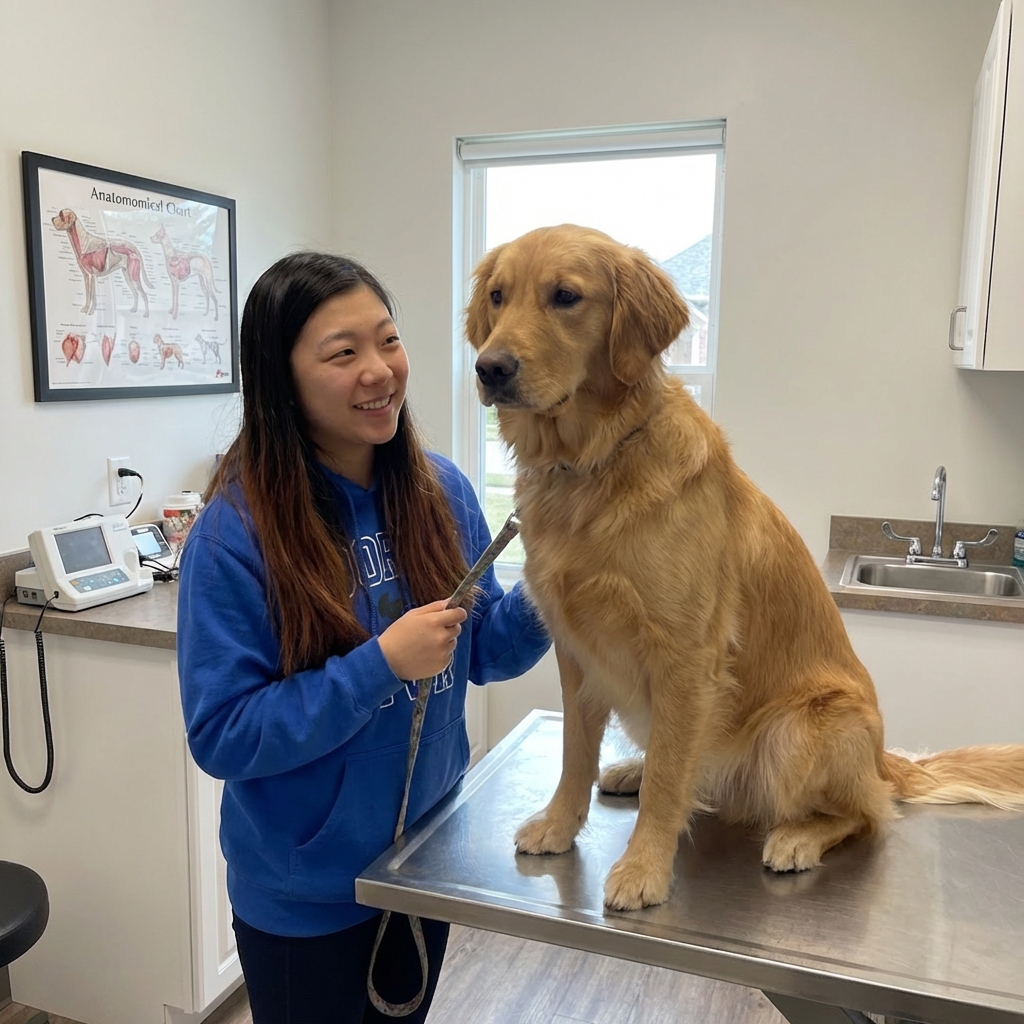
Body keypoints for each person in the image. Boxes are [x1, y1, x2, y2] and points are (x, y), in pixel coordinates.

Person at [176, 252, 550, 1023]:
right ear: (283, 379)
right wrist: (379, 665)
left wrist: (567, 573)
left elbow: (489, 651)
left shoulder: (440, 490)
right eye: (343, 354)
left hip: (421, 866)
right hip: (306, 900)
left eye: (388, 340)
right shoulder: (234, 535)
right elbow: (223, 735)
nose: (379, 371)